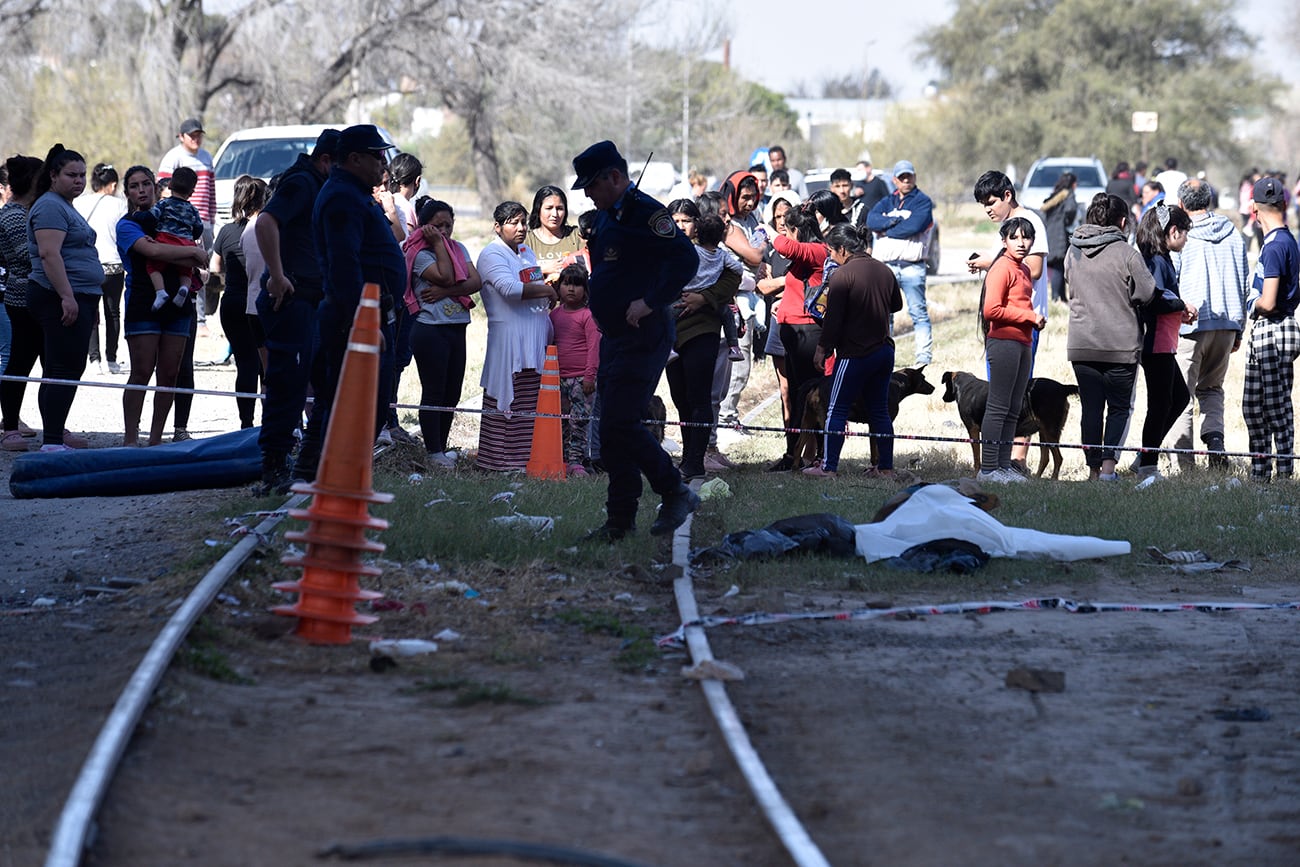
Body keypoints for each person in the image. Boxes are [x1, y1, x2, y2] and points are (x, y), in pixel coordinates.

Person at [571, 140, 698, 540]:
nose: (588, 192)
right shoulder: (608, 216)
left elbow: (686, 260)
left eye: (592, 184)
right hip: (614, 335)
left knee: (623, 421)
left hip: (644, 333)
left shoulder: (646, 213)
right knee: (611, 431)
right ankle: (619, 521)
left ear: (614, 176)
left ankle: (674, 490)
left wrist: (650, 301)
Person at [298, 124, 406, 481]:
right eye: (377, 156)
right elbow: (345, 268)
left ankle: (321, 474)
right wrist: (367, 323)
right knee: (351, 406)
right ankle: (323, 477)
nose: (383, 164)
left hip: (368, 316)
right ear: (354, 158)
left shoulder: (354, 193)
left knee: (356, 405)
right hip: (355, 320)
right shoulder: (342, 197)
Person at [255, 127, 338, 491]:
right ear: (326, 161)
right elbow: (266, 221)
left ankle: (308, 465)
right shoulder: (303, 183)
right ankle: (274, 467)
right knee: (288, 387)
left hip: (316, 301)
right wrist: (276, 275)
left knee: (325, 385)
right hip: (292, 300)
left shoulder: (322, 186)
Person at [1065, 193, 1156, 480]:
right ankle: (1107, 471)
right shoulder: (1127, 254)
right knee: (1118, 409)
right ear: (1124, 222)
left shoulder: (1072, 251)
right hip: (1120, 345)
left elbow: (1070, 286)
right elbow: (1147, 292)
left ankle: (1092, 471)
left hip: (1081, 344)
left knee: (1090, 409)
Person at [115, 165, 208, 446]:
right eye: (134, 185)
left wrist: (188, 255)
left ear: (157, 186)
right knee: (142, 371)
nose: (141, 190)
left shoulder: (175, 214)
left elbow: (195, 260)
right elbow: (152, 251)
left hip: (178, 305)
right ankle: (131, 438)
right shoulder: (128, 224)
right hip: (144, 301)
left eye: (146, 183)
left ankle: (156, 439)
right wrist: (190, 251)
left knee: (169, 373)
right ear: (127, 192)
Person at [802, 223, 903, 478]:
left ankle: (829, 468)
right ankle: (886, 468)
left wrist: (822, 349)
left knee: (836, 408)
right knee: (879, 410)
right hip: (883, 352)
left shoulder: (842, 276)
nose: (830, 257)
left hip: (855, 354)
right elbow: (896, 305)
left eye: (832, 252)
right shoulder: (884, 270)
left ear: (843, 250)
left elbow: (832, 320)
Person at [25, 145, 102, 452]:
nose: (79, 181)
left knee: (63, 367)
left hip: (78, 296)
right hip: (56, 296)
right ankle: (53, 442)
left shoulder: (65, 205)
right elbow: (49, 254)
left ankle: (54, 437)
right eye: (72, 175)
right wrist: (68, 297)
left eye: (83, 175)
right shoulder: (50, 207)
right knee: (63, 369)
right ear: (53, 175)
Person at [1170, 177, 1249, 471]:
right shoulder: (1233, 234)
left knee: (1181, 394)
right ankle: (1215, 443)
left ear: (1181, 204)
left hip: (1191, 325)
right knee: (1212, 389)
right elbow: (1243, 282)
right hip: (1227, 323)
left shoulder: (1181, 235)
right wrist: (1239, 328)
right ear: (1210, 201)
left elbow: (1171, 280)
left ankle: (1184, 464)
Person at [474, 200, 556, 472]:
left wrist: (542, 289)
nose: (521, 228)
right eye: (513, 222)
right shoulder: (491, 254)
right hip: (509, 338)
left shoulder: (525, 252)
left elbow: (530, 282)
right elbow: (510, 290)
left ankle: (523, 460)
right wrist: (547, 290)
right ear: (497, 227)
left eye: (523, 222)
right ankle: (498, 462)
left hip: (533, 336)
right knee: (506, 397)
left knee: (529, 397)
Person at [668, 208, 743, 481]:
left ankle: (695, 461)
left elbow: (734, 279)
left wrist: (703, 297)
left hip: (703, 329)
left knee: (699, 397)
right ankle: (688, 457)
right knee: (680, 398)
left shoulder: (718, 259)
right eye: (674, 221)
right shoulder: (678, 252)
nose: (680, 226)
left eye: (685, 221)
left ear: (695, 227)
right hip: (672, 333)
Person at [406, 198, 481, 468]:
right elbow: (447, 276)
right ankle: (432, 451)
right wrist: (438, 244)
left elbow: (475, 281)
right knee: (434, 391)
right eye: (438, 226)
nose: (445, 231)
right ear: (425, 227)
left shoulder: (458, 248)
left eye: (449, 225)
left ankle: (442, 446)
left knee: (453, 392)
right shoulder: (419, 253)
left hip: (456, 328)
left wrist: (447, 293)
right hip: (429, 330)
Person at [767, 195, 839, 471]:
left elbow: (783, 246)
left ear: (798, 230)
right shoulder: (806, 255)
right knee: (798, 396)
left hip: (808, 333)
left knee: (815, 396)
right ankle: (793, 455)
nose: (786, 234)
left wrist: (770, 229)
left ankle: (821, 456)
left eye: (789, 229)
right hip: (794, 333)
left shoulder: (818, 250)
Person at [973, 218, 1047, 484]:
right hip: (1003, 341)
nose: (1021, 243)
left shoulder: (1024, 269)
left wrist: (1030, 320)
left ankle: (1003, 467)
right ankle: (989, 469)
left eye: (1026, 238)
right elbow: (990, 310)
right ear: (1004, 241)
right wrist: (1028, 316)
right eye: (1015, 238)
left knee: (1014, 407)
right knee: (998, 405)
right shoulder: (1002, 267)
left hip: (1024, 342)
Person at [1241, 176, 1300, 481]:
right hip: (1273, 328)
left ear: (1254, 209)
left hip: (1274, 328)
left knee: (1275, 407)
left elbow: (1268, 300)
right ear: (1283, 203)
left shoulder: (1276, 246)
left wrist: (1250, 305)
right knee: (1253, 406)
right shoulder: (1282, 240)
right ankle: (1260, 472)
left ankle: (1283, 472)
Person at [1134, 203, 1196, 481]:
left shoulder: (1160, 258)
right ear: (1172, 231)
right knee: (1160, 404)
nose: (1185, 239)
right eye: (1184, 233)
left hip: (1164, 341)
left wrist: (1180, 312)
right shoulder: (1157, 261)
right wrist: (1182, 303)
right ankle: (1147, 464)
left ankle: (1146, 454)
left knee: (1179, 397)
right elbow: (1156, 299)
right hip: (1155, 342)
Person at [210, 174, 267, 429]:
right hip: (259, 302)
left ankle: (246, 423)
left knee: (245, 362)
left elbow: (214, 267)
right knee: (267, 364)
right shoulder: (268, 229)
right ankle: (271, 421)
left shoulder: (226, 231)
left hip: (232, 301)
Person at [867, 159, 935, 366]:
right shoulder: (888, 201)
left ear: (914, 177)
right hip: (886, 266)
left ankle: (923, 357)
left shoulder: (922, 201)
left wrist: (886, 229)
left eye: (909, 176)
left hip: (912, 265)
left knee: (918, 312)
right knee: (883, 313)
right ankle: (883, 354)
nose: (906, 180)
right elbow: (871, 220)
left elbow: (914, 226)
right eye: (902, 177)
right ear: (894, 180)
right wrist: (893, 222)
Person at [0, 155, 45, 451]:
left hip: (33, 293)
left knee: (44, 362)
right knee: (17, 361)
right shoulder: (14, 215)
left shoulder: (26, 211)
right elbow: (24, 255)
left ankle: (51, 426)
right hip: (21, 295)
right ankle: (11, 427)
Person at [157, 117, 216, 328]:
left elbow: (211, 191)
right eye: (191, 135)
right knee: (173, 264)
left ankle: (199, 318)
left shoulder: (207, 157)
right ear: (181, 137)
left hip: (202, 221)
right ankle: (174, 308)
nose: (196, 139)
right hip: (175, 225)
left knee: (201, 268)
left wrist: (210, 218)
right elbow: (162, 189)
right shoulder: (172, 158)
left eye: (199, 135)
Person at [74, 162, 127, 375]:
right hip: (113, 266)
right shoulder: (119, 205)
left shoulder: (79, 202)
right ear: (113, 184)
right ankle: (112, 359)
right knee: (113, 312)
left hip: (88, 265)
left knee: (91, 313)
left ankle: (94, 360)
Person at [549, 263, 600, 477]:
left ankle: (576, 461)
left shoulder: (587, 316)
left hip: (581, 380)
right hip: (557, 379)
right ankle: (561, 459)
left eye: (577, 285)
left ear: (585, 291)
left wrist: (590, 376)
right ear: (558, 288)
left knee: (578, 421)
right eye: (566, 284)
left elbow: (594, 347)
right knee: (561, 421)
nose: (571, 289)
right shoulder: (553, 315)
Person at [145, 165, 204, 310]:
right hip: (186, 243)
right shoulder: (193, 209)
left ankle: (160, 292)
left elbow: (151, 218)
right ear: (192, 192)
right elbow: (198, 228)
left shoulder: (163, 204)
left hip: (166, 240)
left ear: (170, 185)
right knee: (185, 271)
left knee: (152, 266)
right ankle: (184, 289)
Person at [524, 185, 584, 283]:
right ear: (538, 209)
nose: (555, 214)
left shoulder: (576, 236)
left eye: (559, 208)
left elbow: (589, 269)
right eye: (549, 208)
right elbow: (518, 278)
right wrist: (542, 270)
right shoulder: (526, 240)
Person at [1040, 171, 1078, 303]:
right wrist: (1068, 222)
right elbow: (1071, 210)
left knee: (1059, 265)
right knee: (1059, 266)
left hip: (1050, 233)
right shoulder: (1069, 195)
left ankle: (1061, 296)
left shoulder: (1054, 196)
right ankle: (1056, 297)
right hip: (1060, 235)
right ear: (1073, 184)